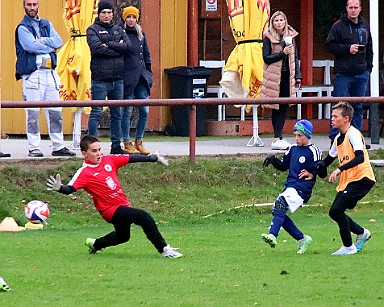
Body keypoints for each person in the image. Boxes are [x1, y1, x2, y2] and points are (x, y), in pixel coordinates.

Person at [46, 135, 183, 258]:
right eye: (94, 151)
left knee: (123, 236)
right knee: (143, 217)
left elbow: (131, 158)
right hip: (109, 210)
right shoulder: (84, 172)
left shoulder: (108, 160)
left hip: (122, 204)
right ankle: (164, 250)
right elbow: (70, 189)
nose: (99, 153)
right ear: (84, 154)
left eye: (99, 149)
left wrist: (153, 158)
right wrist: (60, 188)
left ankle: (95, 244)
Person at [15, 0, 75, 158]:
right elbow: (30, 46)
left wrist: (44, 41)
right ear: (24, 6)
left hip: (50, 73)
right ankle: (33, 147)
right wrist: (50, 46)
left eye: (34, 4)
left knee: (56, 112)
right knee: (33, 113)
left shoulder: (46, 24)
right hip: (33, 74)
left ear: (38, 5)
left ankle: (58, 145)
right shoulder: (22, 27)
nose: (32, 8)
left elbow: (59, 41)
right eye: (29, 5)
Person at [318, 102, 375, 255]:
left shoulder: (354, 134)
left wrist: (339, 169)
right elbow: (329, 159)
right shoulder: (337, 138)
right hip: (350, 180)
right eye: (332, 116)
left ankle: (348, 247)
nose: (332, 119)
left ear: (346, 118)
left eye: (335, 116)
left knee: (337, 210)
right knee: (334, 212)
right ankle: (362, 233)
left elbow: (360, 157)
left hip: (362, 178)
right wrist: (317, 168)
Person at [261, 119, 325, 254]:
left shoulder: (314, 151)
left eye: (299, 135)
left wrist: (316, 170)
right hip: (290, 186)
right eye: (295, 135)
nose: (296, 138)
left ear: (308, 135)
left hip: (302, 188)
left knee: (280, 204)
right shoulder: (292, 149)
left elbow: (321, 172)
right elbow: (284, 166)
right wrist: (274, 160)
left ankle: (272, 235)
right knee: (277, 211)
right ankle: (302, 239)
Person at [325, 0, 373, 144]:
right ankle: (336, 139)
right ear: (346, 8)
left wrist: (368, 68)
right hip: (343, 74)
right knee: (340, 106)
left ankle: (356, 139)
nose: (353, 10)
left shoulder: (365, 25)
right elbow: (329, 46)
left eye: (355, 7)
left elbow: (370, 47)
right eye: (350, 7)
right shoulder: (338, 26)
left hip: (361, 73)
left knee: (358, 107)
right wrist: (347, 49)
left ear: (360, 9)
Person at [86, 1, 131, 154]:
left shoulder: (119, 29)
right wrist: (117, 47)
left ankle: (116, 146)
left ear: (113, 14)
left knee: (117, 114)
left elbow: (128, 47)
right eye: (103, 12)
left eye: (109, 12)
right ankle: (92, 146)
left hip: (118, 79)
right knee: (96, 112)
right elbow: (96, 48)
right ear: (99, 14)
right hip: (100, 79)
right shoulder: (92, 29)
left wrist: (109, 45)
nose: (106, 15)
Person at [261, 11, 302, 150]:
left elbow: (295, 57)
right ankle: (276, 138)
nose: (279, 23)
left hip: (287, 75)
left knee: (284, 106)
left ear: (285, 22)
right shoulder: (268, 37)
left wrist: (298, 76)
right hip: (274, 77)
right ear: (272, 23)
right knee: (276, 106)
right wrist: (282, 53)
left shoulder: (291, 37)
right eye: (276, 20)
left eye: (281, 20)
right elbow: (266, 58)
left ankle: (279, 137)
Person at [120, 6, 153, 155]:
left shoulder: (141, 34)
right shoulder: (121, 33)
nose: (131, 20)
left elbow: (146, 55)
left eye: (133, 17)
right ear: (124, 18)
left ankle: (139, 140)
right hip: (127, 77)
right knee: (127, 111)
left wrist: (149, 74)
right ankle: (126, 141)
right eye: (128, 17)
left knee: (144, 110)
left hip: (142, 78)